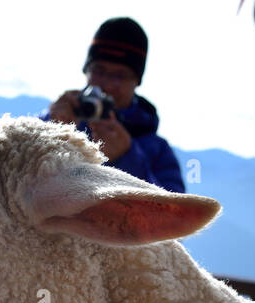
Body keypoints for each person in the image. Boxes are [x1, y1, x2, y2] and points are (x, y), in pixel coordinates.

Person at [42, 17, 185, 193]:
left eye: (120, 75)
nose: (107, 85)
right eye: (99, 70)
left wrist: (126, 158)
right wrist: (49, 130)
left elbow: (174, 213)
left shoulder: (157, 151)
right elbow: (15, 179)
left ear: (136, 81)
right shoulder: (55, 120)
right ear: (87, 71)